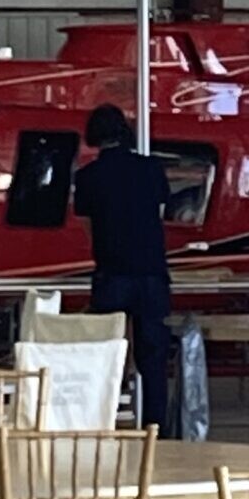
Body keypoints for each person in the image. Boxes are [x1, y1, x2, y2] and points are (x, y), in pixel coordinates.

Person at [72, 103, 172, 433]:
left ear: (93, 136)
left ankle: (104, 420)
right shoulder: (152, 169)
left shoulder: (86, 178)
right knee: (153, 357)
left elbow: (88, 228)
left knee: (106, 352)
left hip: (112, 272)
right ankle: (157, 431)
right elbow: (158, 217)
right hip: (151, 272)